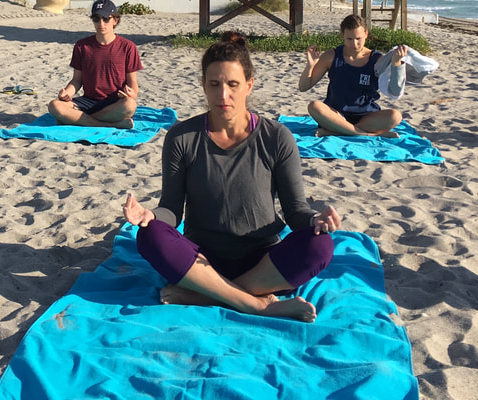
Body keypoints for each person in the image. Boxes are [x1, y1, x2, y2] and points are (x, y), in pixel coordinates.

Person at [123, 31, 339, 321]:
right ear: (203, 85)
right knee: (149, 236)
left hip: (263, 261)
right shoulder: (181, 138)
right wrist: (150, 216)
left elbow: (295, 211)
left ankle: (208, 295)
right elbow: (172, 210)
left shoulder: (276, 137)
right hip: (201, 261)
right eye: (214, 84)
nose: (223, 95)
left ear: (249, 86)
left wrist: (314, 220)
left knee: (321, 244)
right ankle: (255, 304)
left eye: (233, 84)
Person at [299, 14, 407, 137]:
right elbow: (304, 87)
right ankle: (367, 135)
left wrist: (397, 63)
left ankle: (339, 131)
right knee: (314, 106)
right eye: (349, 39)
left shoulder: (376, 59)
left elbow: (395, 91)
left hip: (367, 117)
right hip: (336, 115)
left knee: (395, 116)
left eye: (358, 38)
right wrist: (310, 65)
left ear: (366, 34)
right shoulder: (331, 56)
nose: (354, 44)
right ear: (342, 35)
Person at [48, 0, 142, 129]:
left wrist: (133, 94)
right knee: (54, 106)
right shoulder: (82, 46)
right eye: (96, 19)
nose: (101, 23)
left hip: (114, 102)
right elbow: (76, 80)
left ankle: (77, 119)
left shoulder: (128, 47)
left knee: (130, 105)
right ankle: (107, 124)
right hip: (87, 102)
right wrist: (67, 94)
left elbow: (132, 82)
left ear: (115, 20)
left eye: (106, 19)